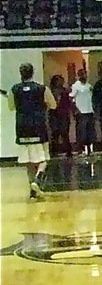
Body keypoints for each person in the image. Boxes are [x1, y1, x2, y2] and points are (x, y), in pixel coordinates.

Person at [8, 62, 56, 199]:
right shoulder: (42, 89)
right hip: (38, 126)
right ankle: (37, 180)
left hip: (22, 127)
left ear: (20, 73)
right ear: (32, 72)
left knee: (28, 161)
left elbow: (11, 107)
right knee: (44, 158)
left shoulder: (14, 89)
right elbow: (53, 105)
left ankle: (33, 192)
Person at [70, 66, 96, 156]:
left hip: (90, 111)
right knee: (81, 131)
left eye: (85, 74)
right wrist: (75, 110)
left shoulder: (89, 86)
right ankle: (80, 149)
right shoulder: (75, 86)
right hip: (81, 112)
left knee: (90, 131)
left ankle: (89, 149)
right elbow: (71, 98)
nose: (84, 76)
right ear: (79, 75)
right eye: (82, 74)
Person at [47, 74, 73, 157]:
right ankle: (54, 151)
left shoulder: (65, 91)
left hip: (63, 114)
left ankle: (68, 151)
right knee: (55, 133)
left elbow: (69, 102)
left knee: (64, 132)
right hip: (54, 114)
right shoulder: (51, 91)